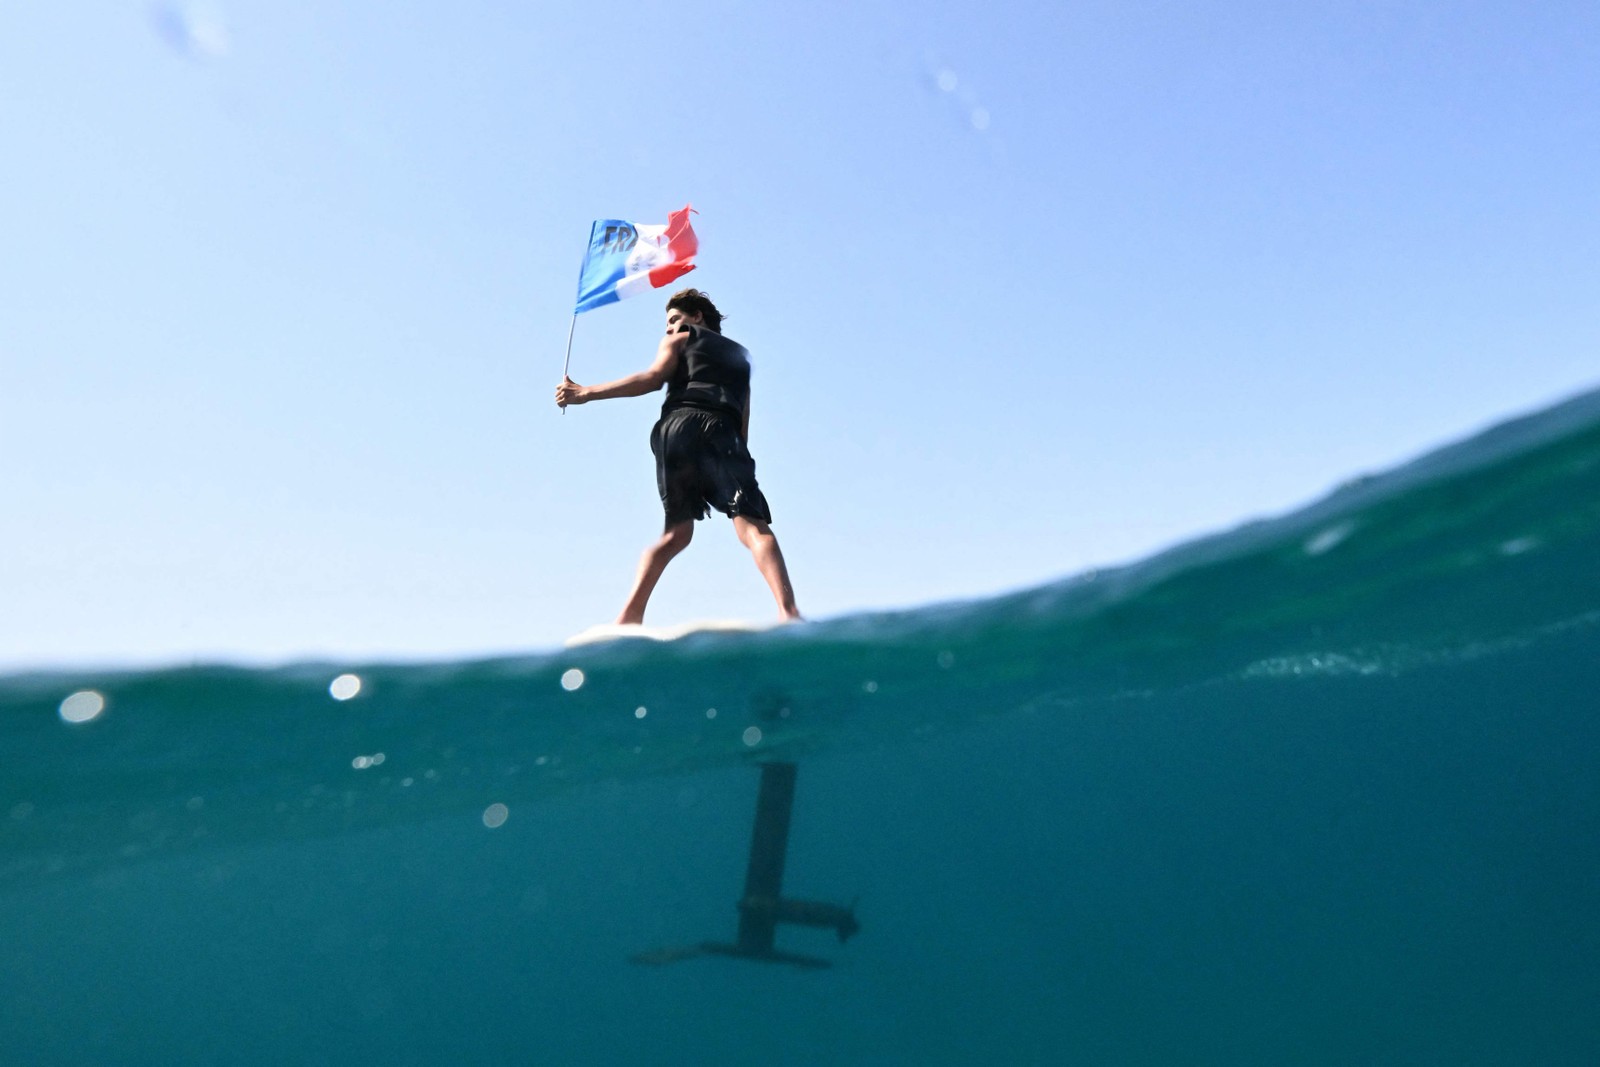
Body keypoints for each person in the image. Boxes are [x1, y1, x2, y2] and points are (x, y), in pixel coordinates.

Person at [555, 289, 801, 625]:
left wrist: (585, 393)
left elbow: (653, 379)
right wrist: (736, 460)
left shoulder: (679, 340)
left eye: (673, 320)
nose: (669, 329)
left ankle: (629, 617)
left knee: (676, 535)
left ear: (696, 316)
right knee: (754, 528)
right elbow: (743, 415)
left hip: (678, 429)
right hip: (723, 432)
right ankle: (788, 612)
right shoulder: (740, 359)